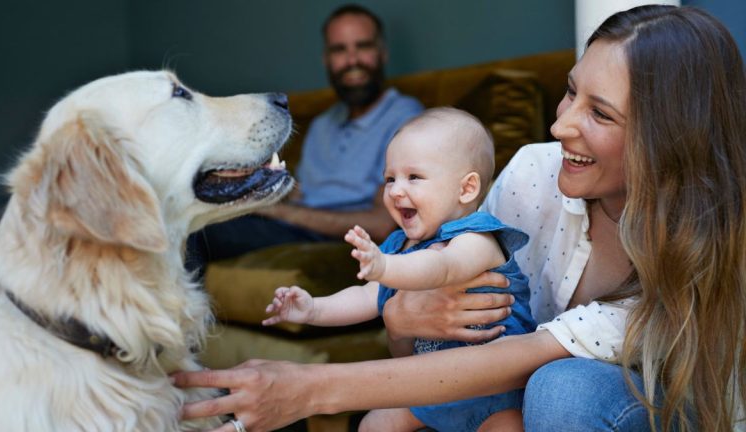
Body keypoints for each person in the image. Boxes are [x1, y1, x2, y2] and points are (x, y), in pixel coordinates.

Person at [174, 5, 746, 432]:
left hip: (662, 411)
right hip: (504, 387)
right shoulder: (532, 174)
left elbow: (515, 363)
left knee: (562, 389)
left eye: (599, 113)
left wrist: (310, 389)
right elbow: (439, 334)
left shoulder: (699, 245)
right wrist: (402, 319)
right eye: (570, 94)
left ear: (666, 140)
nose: (560, 125)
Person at [262, 108, 536, 432]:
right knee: (372, 425)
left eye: (413, 177)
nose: (394, 191)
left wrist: (385, 266)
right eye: (389, 178)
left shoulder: (477, 238)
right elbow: (366, 297)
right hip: (431, 389)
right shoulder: (400, 246)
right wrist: (313, 309)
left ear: (466, 189)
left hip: (494, 392)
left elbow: (441, 267)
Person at [185, 4, 423, 271]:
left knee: (196, 234)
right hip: (289, 227)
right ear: (326, 59)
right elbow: (301, 194)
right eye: (339, 50)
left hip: (331, 238)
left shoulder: (406, 118)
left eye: (363, 46)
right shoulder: (322, 124)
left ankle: (178, 314)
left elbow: (383, 224)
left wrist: (279, 211)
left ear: (382, 54)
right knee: (189, 219)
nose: (352, 60)